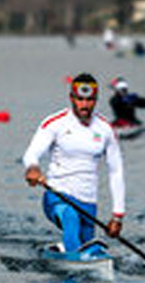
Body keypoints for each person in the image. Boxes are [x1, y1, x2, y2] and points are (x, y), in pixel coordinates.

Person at [22, 73, 125, 257]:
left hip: (88, 204)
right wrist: (32, 167)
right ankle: (74, 260)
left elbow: (115, 172)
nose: (85, 105)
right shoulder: (55, 123)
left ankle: (69, 253)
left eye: (90, 100)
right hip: (58, 197)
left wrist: (117, 216)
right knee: (69, 216)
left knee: (93, 251)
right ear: (71, 98)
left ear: (96, 100)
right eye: (80, 99)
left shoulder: (106, 129)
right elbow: (32, 153)